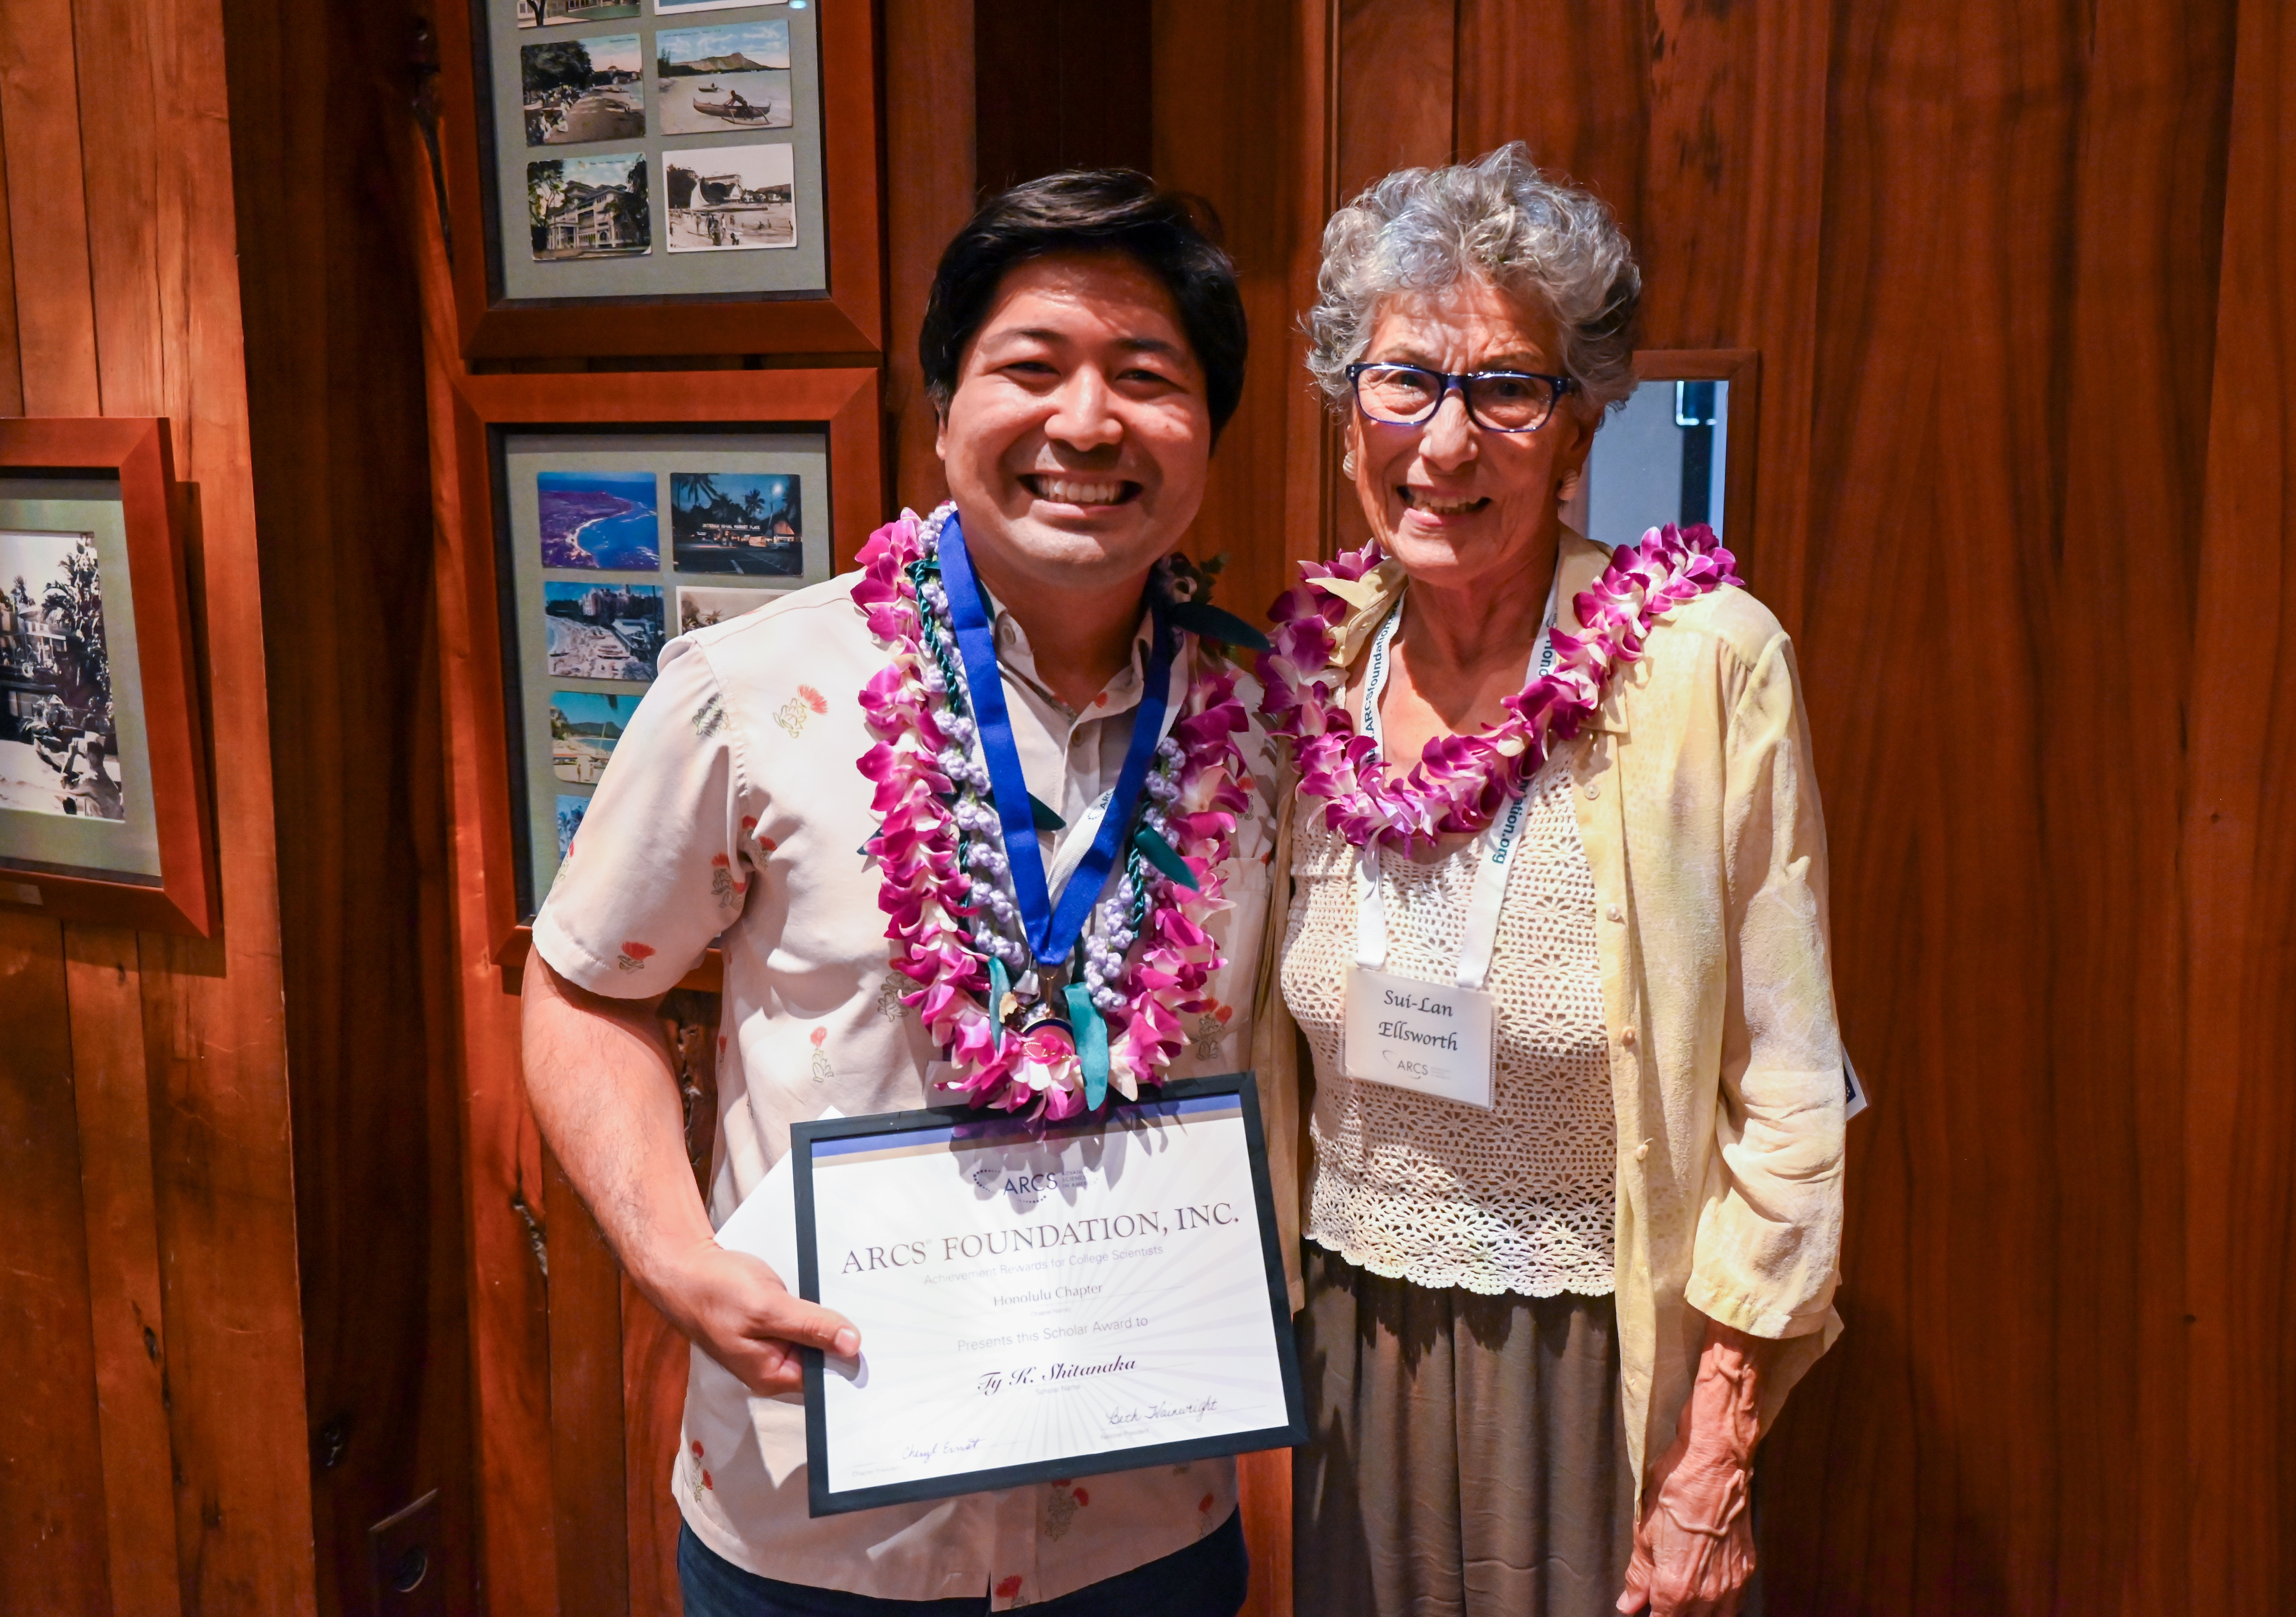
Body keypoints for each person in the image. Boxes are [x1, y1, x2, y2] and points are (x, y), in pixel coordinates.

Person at [523, 169, 1280, 1616]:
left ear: (1206, 436)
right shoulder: (750, 697)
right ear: (943, 414)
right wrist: (672, 1255)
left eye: (1147, 377)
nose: (1085, 424)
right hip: (817, 1526)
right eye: (1032, 368)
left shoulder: (1270, 722)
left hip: (1146, 1526)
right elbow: (577, 986)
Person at [1251, 143, 1849, 1617]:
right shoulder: (1298, 673)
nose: (1447, 445)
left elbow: (1792, 1087)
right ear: (1347, 421)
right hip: (1348, 1355)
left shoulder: (1706, 667)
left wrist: (1713, 1457)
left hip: (1599, 1376)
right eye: (1406, 381)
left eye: (1506, 388)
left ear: (1578, 432)